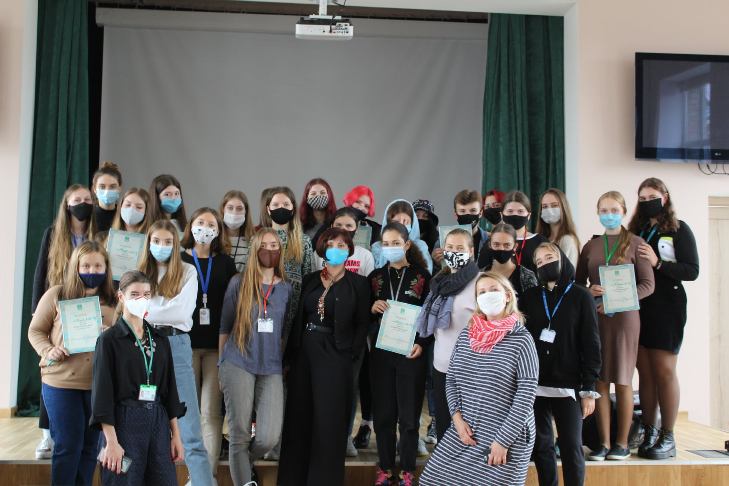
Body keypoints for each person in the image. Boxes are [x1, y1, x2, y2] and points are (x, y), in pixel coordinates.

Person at [419, 271, 538, 486]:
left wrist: (503, 441)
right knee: (431, 479)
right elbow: (452, 379)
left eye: (493, 290)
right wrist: (456, 418)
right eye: (481, 292)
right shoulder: (467, 334)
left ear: (507, 296)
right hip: (469, 428)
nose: (487, 295)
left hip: (506, 434)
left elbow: (526, 394)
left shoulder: (522, 339)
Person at [278, 228, 370, 486]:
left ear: (349, 250)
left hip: (336, 356)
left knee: (329, 421)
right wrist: (290, 357)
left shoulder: (359, 284)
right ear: (322, 248)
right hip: (305, 353)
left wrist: (350, 354)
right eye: (331, 244)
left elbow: (362, 323)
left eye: (342, 245)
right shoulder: (310, 280)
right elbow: (298, 318)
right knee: (299, 418)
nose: (336, 249)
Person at [28, 241, 116, 485]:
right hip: (60, 382)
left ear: (106, 268)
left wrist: (111, 335)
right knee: (68, 445)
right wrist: (49, 350)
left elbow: (126, 341)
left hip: (97, 385)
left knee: (89, 448)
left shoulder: (114, 302)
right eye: (85, 266)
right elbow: (35, 331)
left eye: (97, 266)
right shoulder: (57, 294)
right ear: (75, 267)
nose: (91, 271)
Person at [576, 191, 655, 461]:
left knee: (622, 380)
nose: (609, 215)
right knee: (599, 380)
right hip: (596, 318)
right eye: (604, 210)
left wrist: (623, 298)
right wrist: (589, 292)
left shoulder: (636, 243)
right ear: (597, 213)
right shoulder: (591, 246)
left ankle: (621, 443)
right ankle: (603, 443)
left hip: (625, 320)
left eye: (614, 210)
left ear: (623, 211)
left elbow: (648, 285)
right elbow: (578, 285)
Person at [91, 270, 186, 486]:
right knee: (124, 480)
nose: (141, 299)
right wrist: (111, 441)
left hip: (158, 420)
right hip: (124, 422)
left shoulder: (160, 340)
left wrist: (176, 435)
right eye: (134, 294)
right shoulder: (109, 341)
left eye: (146, 294)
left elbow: (170, 390)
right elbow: (102, 395)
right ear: (121, 297)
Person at [139, 219, 215, 485]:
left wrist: (148, 310)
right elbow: (131, 311)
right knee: (143, 423)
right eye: (156, 241)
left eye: (168, 242)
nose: (161, 246)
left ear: (175, 245)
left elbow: (182, 313)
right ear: (148, 243)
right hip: (144, 345)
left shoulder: (187, 271)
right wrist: (154, 311)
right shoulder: (138, 274)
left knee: (190, 429)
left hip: (176, 345)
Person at [627, 178, 699, 459]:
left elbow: (691, 270)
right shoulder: (636, 230)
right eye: (642, 198)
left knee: (664, 371)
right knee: (644, 372)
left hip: (668, 306)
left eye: (653, 196)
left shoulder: (679, 229)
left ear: (665, 198)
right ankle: (649, 430)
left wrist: (658, 263)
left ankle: (668, 435)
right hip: (639, 305)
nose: (648, 202)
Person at [522, 243, 602, 486]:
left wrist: (588, 388)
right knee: (541, 446)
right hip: (536, 384)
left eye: (549, 257)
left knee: (571, 446)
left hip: (569, 385)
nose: (545, 264)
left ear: (562, 259)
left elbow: (591, 344)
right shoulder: (529, 297)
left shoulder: (581, 296)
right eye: (539, 262)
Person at [218, 228, 293, 485]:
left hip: (270, 366)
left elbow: (283, 330)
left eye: (274, 245)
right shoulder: (238, 282)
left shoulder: (286, 288)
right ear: (254, 249)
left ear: (280, 250)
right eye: (264, 245)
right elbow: (225, 326)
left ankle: (244, 461)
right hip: (238, 361)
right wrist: (221, 364)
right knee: (239, 434)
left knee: (269, 437)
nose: (269, 249)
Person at [31, 184, 97, 459]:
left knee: (79, 370)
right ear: (66, 205)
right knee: (54, 370)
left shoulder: (98, 234)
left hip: (88, 309)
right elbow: (41, 274)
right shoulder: (53, 234)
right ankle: (47, 434)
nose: (82, 203)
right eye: (76, 199)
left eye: (87, 199)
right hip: (57, 306)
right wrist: (37, 311)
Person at [369, 223, 431, 486]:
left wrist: (423, 344)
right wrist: (372, 306)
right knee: (384, 415)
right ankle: (384, 467)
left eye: (396, 243)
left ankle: (407, 469)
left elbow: (430, 315)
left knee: (408, 416)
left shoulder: (423, 276)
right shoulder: (375, 277)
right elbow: (363, 315)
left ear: (406, 245)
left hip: (411, 353)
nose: (391, 247)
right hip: (381, 353)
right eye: (386, 243)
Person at [180, 208, 237, 477]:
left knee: (211, 413)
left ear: (218, 230)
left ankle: (206, 477)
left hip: (216, 347)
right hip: (185, 346)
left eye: (210, 223)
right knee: (188, 413)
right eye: (200, 222)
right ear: (191, 225)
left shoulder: (225, 263)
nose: (204, 227)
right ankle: (194, 474)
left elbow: (232, 305)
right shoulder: (180, 259)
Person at [416, 228, 480, 441]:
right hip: (441, 366)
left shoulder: (480, 283)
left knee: (469, 430)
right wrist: (421, 342)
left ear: (471, 251)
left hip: (470, 369)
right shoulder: (439, 282)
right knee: (444, 426)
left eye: (460, 248)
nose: (454, 252)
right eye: (450, 247)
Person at [259, 186, 314, 324]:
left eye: (285, 204)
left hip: (293, 310)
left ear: (293, 208)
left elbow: (308, 277)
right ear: (268, 209)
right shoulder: (258, 240)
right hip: (263, 305)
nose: (281, 208)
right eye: (276, 205)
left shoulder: (304, 241)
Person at [479, 190, 547, 274]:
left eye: (520, 211)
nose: (515, 215)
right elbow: (482, 272)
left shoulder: (540, 242)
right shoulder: (491, 244)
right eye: (510, 211)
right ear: (502, 215)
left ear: (528, 215)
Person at [371, 199, 433, 274]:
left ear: (412, 223)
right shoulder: (377, 248)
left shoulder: (421, 246)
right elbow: (373, 274)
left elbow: (427, 272)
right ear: (388, 223)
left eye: (405, 221)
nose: (401, 225)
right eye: (396, 222)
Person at [480, 223, 539, 300]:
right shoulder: (481, 274)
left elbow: (534, 303)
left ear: (515, 246)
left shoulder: (526, 276)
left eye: (507, 245)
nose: (502, 248)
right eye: (496, 244)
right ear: (490, 245)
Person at [432, 190, 489, 268]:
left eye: (473, 210)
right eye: (462, 211)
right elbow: (436, 271)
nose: (468, 215)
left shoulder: (488, 241)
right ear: (456, 215)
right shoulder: (442, 241)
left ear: (480, 213)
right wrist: (436, 262)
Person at [312, 207, 375, 277]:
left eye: (349, 226)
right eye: (338, 225)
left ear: (356, 229)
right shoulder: (319, 253)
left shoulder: (365, 256)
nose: (343, 229)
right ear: (331, 226)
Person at [535, 188, 581, 267]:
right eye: (545, 206)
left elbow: (566, 272)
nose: (549, 210)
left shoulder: (567, 240)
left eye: (554, 205)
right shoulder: (542, 238)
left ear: (563, 208)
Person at [219, 190, 255, 272]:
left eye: (239, 209)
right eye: (230, 208)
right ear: (223, 209)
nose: (234, 213)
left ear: (245, 211)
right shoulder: (214, 237)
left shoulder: (253, 239)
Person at [92, 161, 123, 233]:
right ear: (94, 189)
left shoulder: (124, 216)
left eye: (112, 187)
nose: (107, 191)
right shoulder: (89, 215)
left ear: (119, 188)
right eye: (102, 187)